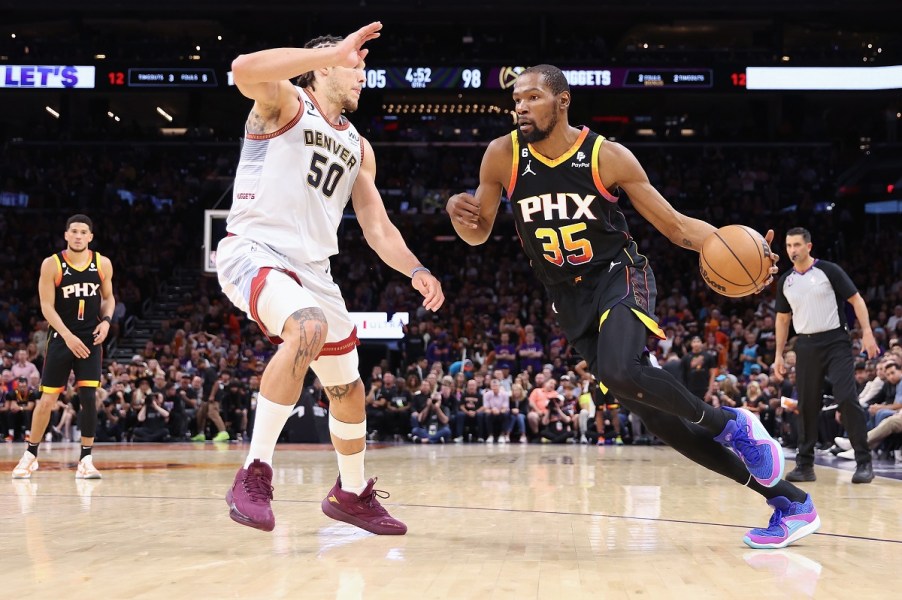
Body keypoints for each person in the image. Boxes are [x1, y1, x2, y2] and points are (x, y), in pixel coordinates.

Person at [446, 64, 818, 549]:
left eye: (533, 97)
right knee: (662, 422)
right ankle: (790, 503)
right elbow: (477, 234)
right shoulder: (502, 155)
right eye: (517, 99)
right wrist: (458, 213)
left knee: (621, 371)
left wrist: (746, 253)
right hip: (568, 299)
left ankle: (734, 424)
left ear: (562, 101)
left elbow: (677, 227)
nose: (521, 106)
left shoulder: (607, 156)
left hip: (618, 275)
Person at [216, 22, 444, 534]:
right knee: (309, 327)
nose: (363, 77)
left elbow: (377, 227)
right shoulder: (286, 102)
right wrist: (331, 52)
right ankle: (253, 472)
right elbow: (242, 68)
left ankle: (351, 493)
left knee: (349, 388)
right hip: (255, 249)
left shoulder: (359, 147)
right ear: (323, 69)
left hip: (314, 270)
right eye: (354, 67)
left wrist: (416, 268)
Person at [12, 214, 115, 480]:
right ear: (66, 235)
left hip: (90, 338)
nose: (78, 236)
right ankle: (30, 455)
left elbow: (108, 298)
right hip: (61, 337)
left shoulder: (102, 263)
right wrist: (68, 335)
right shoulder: (52, 264)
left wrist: (106, 322)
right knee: (47, 399)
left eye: (83, 232)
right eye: (74, 231)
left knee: (89, 398)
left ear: (90, 236)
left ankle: (86, 460)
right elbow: (46, 306)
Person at [773, 227, 878, 484]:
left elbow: (856, 299)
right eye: (788, 246)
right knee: (807, 405)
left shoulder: (828, 271)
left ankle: (864, 462)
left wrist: (867, 332)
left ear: (808, 246)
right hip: (805, 345)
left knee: (846, 397)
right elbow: (783, 319)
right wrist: (778, 354)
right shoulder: (785, 281)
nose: (792, 250)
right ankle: (805, 466)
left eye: (797, 245)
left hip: (836, 341)